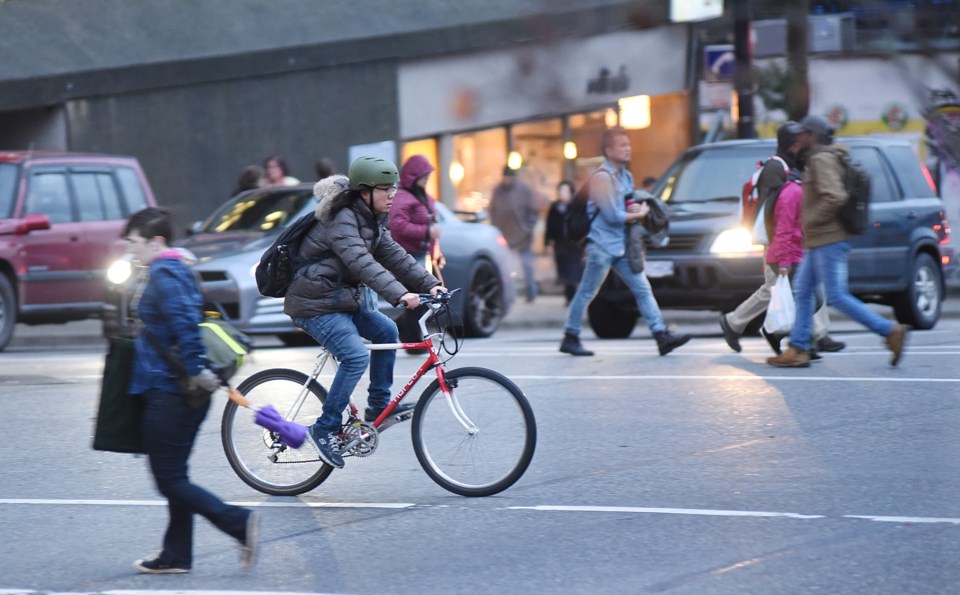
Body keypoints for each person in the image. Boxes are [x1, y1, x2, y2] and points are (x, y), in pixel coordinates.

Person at [284, 156, 445, 469]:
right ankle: (325, 428)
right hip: (314, 304)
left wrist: (431, 284)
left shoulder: (370, 218)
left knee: (387, 331)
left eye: (393, 187)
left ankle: (377, 408)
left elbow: (395, 256)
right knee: (356, 356)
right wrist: (400, 294)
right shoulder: (340, 220)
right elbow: (362, 262)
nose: (392, 194)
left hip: (340, 300)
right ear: (364, 192)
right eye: (385, 189)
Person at [124, 207, 257, 574]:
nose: (130, 250)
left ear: (157, 241)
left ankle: (237, 522)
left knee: (168, 478)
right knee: (175, 476)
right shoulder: (171, 268)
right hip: (173, 389)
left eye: (134, 243)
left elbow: (185, 322)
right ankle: (176, 555)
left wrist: (197, 369)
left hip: (172, 391)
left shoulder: (166, 272)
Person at [768, 115, 909, 368]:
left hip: (828, 239)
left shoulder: (822, 159)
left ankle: (889, 330)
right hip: (821, 240)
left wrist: (810, 220)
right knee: (803, 291)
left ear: (813, 136)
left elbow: (835, 196)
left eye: (803, 134)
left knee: (836, 295)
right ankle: (798, 347)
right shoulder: (823, 157)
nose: (798, 138)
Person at [559, 127, 691, 357]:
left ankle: (661, 335)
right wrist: (639, 215)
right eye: (622, 145)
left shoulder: (626, 176)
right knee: (587, 292)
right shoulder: (602, 178)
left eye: (628, 144)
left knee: (642, 288)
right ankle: (570, 336)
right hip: (601, 246)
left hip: (621, 245)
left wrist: (638, 209)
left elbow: (627, 205)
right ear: (609, 151)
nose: (628, 148)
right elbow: (612, 216)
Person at [719, 122, 846, 356]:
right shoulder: (775, 169)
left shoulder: (794, 165)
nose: (804, 146)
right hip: (778, 242)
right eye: (799, 142)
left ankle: (816, 335)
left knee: (806, 287)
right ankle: (736, 322)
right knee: (774, 289)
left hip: (794, 240)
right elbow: (774, 211)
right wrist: (780, 247)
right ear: (790, 144)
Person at [389, 154, 444, 353]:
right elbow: (398, 226)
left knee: (424, 298)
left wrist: (435, 249)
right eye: (423, 177)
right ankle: (410, 336)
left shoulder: (419, 196)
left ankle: (409, 333)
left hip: (420, 253)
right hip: (406, 255)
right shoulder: (403, 197)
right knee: (419, 299)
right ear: (413, 176)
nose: (426, 181)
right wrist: (427, 232)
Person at [489, 166, 539, 302]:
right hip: (504, 236)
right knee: (507, 268)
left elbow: (533, 212)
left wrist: (528, 228)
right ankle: (509, 295)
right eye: (504, 178)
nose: (506, 180)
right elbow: (492, 210)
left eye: (509, 178)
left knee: (526, 265)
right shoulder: (498, 191)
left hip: (523, 235)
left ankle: (531, 291)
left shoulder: (524, 190)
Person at [544, 180, 585, 304]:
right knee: (564, 271)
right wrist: (547, 242)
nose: (562, 193)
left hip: (574, 245)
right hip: (560, 244)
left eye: (565, 191)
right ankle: (569, 296)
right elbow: (549, 225)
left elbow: (583, 225)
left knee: (574, 271)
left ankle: (573, 297)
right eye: (560, 190)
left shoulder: (577, 207)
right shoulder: (554, 207)